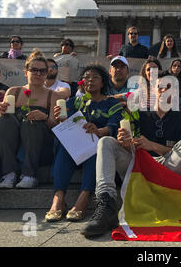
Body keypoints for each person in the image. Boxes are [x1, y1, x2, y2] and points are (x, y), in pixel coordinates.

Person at [81, 72, 181, 238]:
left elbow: (180, 152)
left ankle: (157, 196)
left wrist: (153, 145)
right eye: (160, 87)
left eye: (169, 87)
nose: (164, 91)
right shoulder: (140, 116)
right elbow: (132, 148)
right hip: (139, 166)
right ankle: (107, 204)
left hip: (166, 169)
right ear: (153, 91)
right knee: (106, 141)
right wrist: (125, 143)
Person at [46, 64, 123, 223]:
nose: (90, 80)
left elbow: (115, 125)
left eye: (95, 77)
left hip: (96, 149)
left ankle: (84, 197)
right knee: (64, 144)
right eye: (87, 77)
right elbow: (60, 126)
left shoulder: (111, 103)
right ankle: (58, 199)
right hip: (73, 150)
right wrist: (61, 119)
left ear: (103, 82)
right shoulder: (74, 102)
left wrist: (99, 131)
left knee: (97, 144)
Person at [0, 51, 60, 189]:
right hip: (15, 141)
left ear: (47, 73)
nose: (38, 74)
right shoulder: (13, 91)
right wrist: (1, 112)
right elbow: (2, 124)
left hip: (40, 143)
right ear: (26, 72)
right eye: (34, 70)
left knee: (31, 122)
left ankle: (29, 174)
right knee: (4, 120)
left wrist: (45, 117)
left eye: (42, 71)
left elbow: (55, 126)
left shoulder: (53, 96)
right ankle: (9, 173)